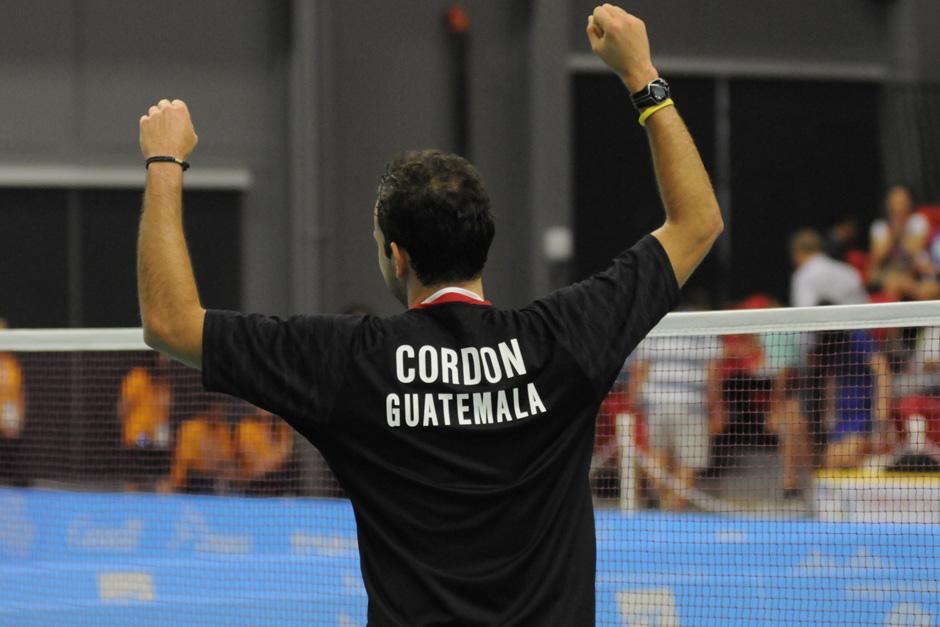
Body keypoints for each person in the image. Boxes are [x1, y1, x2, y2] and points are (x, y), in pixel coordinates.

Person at [135, 4, 723, 624]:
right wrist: (641, 75)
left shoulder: (349, 363)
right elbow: (697, 223)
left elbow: (170, 323)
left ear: (398, 256)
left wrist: (164, 163)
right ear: (483, 239)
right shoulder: (565, 339)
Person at [629, 334, 721, 510]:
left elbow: (640, 368)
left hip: (657, 404)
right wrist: (716, 406)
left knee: (658, 458)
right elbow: (713, 369)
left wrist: (634, 399)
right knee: (687, 464)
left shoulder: (654, 327)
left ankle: (663, 509)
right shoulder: (706, 329)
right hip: (691, 405)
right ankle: (671, 512)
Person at [117, 352, 172, 489]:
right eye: (162, 356)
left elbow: (165, 412)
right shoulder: (137, 378)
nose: (166, 360)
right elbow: (123, 408)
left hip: (158, 440)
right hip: (138, 437)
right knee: (135, 478)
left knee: (162, 479)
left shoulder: (164, 383)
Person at [790, 228, 868, 307]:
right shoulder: (849, 271)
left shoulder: (803, 275)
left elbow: (804, 311)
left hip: (822, 315)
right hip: (854, 314)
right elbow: (864, 305)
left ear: (797, 252)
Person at [170, 401, 235, 494]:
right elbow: (189, 464)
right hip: (189, 481)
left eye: (221, 410)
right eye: (216, 409)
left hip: (213, 481)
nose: (219, 413)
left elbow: (227, 460)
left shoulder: (223, 430)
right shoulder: (191, 428)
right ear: (207, 411)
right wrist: (211, 470)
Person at [235, 407, 296, 496]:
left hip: (276, 481)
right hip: (253, 481)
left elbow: (286, 453)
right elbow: (252, 461)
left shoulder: (282, 427)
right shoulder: (247, 427)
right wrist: (268, 463)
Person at [0, 318, 26, 486]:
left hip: (9, 417)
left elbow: (19, 393)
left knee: (13, 460)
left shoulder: (12, 364)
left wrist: (18, 418)